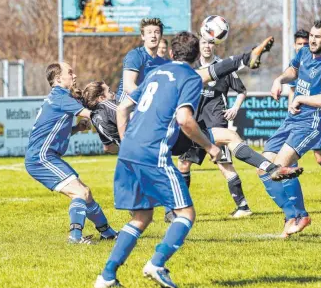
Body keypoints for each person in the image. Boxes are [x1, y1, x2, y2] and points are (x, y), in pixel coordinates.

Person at [93, 32, 303, 288]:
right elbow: (184, 119)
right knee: (186, 214)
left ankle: (106, 278)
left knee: (141, 217)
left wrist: (126, 138)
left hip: (129, 151)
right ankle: (156, 264)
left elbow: (124, 107)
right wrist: (209, 147)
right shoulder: (189, 77)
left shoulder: (155, 75)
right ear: (194, 57)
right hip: (155, 150)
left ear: (171, 53)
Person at [259, 20, 321, 237]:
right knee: (263, 167)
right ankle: (294, 214)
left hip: (310, 123)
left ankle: (297, 215)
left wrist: (300, 98)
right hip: (291, 119)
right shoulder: (304, 52)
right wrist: (279, 80)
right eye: (312, 35)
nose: (313, 39)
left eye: (319, 37)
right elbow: (292, 71)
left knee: (278, 168)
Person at [25, 62, 117, 244]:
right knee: (80, 193)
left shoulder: (59, 97)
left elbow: (52, 129)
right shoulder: (61, 98)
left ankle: (108, 234)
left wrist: (75, 129)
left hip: (44, 157)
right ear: (59, 79)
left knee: (86, 194)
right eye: (70, 72)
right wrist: (114, 112)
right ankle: (75, 237)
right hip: (41, 159)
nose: (74, 76)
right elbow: (91, 113)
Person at [177, 36, 252, 219]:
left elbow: (242, 91)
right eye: (203, 43)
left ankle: (243, 206)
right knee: (183, 164)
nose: (207, 46)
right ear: (198, 46)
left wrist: (234, 108)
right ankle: (179, 208)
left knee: (223, 163)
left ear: (215, 45)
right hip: (194, 124)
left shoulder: (223, 67)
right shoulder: (192, 68)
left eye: (210, 43)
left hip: (216, 122)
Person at [288, 29, 321, 196]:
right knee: (289, 157)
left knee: (320, 158)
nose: (305, 45)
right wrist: (291, 108)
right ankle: (293, 200)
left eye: (306, 42)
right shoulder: (298, 63)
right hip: (299, 117)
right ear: (295, 45)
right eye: (300, 44)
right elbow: (292, 91)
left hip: (319, 116)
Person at [116, 18, 169, 103]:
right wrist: (151, 101)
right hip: (126, 105)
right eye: (149, 32)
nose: (153, 35)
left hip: (146, 106)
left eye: (157, 32)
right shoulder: (135, 55)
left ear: (161, 36)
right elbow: (128, 86)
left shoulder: (163, 63)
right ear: (143, 36)